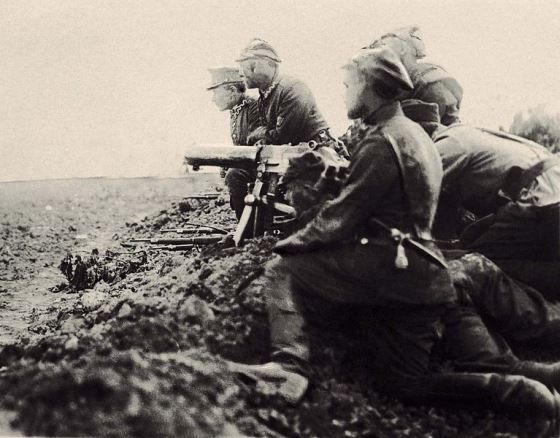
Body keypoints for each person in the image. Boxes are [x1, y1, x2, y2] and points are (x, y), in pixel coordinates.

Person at [228, 47, 560, 434]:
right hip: (424, 274)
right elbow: (389, 199)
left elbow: (341, 219)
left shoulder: (383, 141)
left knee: (282, 270)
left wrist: (285, 245)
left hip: (393, 269)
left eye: (349, 85)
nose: (345, 94)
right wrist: (337, 182)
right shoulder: (413, 135)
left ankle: (289, 367)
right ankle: (525, 393)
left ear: (370, 87)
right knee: (405, 383)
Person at [401, 99, 560, 299]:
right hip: (546, 193)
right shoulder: (466, 133)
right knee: (475, 242)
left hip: (538, 197)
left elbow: (408, 193)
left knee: (479, 263)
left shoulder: (446, 145)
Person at [236, 38, 348, 157]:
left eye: (251, 65)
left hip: (321, 155)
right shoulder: (264, 96)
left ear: (270, 64)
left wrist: (260, 133)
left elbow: (283, 137)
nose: (241, 73)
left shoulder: (292, 88)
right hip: (297, 156)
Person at [207, 66, 259, 219]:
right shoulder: (237, 110)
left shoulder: (253, 107)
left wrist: (232, 163)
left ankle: (247, 228)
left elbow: (257, 146)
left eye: (216, 92)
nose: (213, 99)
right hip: (253, 165)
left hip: (265, 166)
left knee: (234, 175)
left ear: (232, 90)